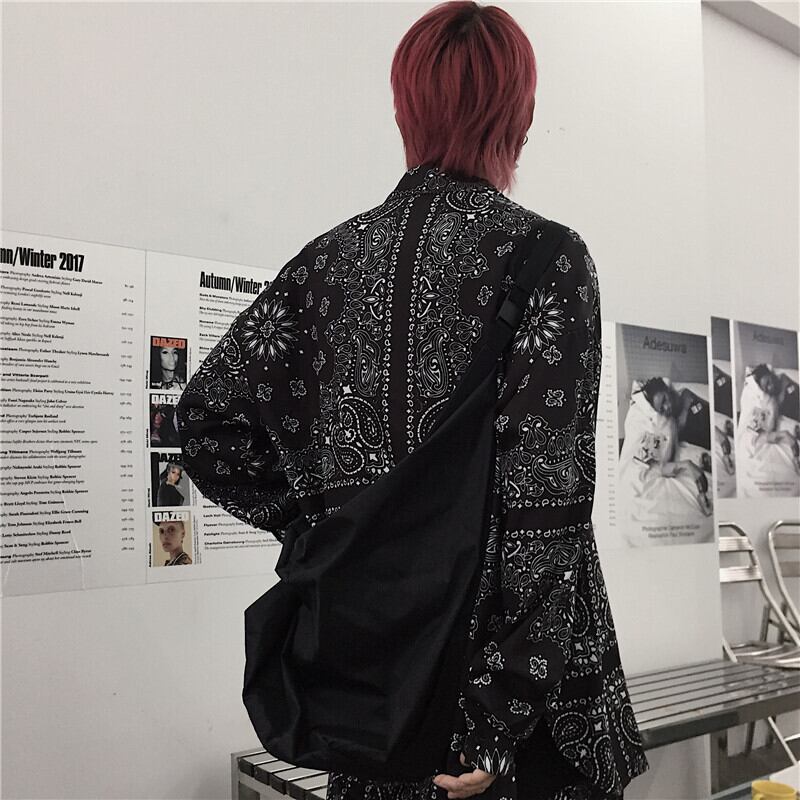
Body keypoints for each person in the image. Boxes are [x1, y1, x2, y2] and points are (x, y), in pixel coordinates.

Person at [175, 2, 650, 797]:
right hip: (505, 708)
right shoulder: (545, 258)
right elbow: (547, 503)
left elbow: (205, 424)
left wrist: (323, 529)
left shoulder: (326, 263)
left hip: (372, 685)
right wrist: (499, 715)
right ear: (520, 116)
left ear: (406, 109)